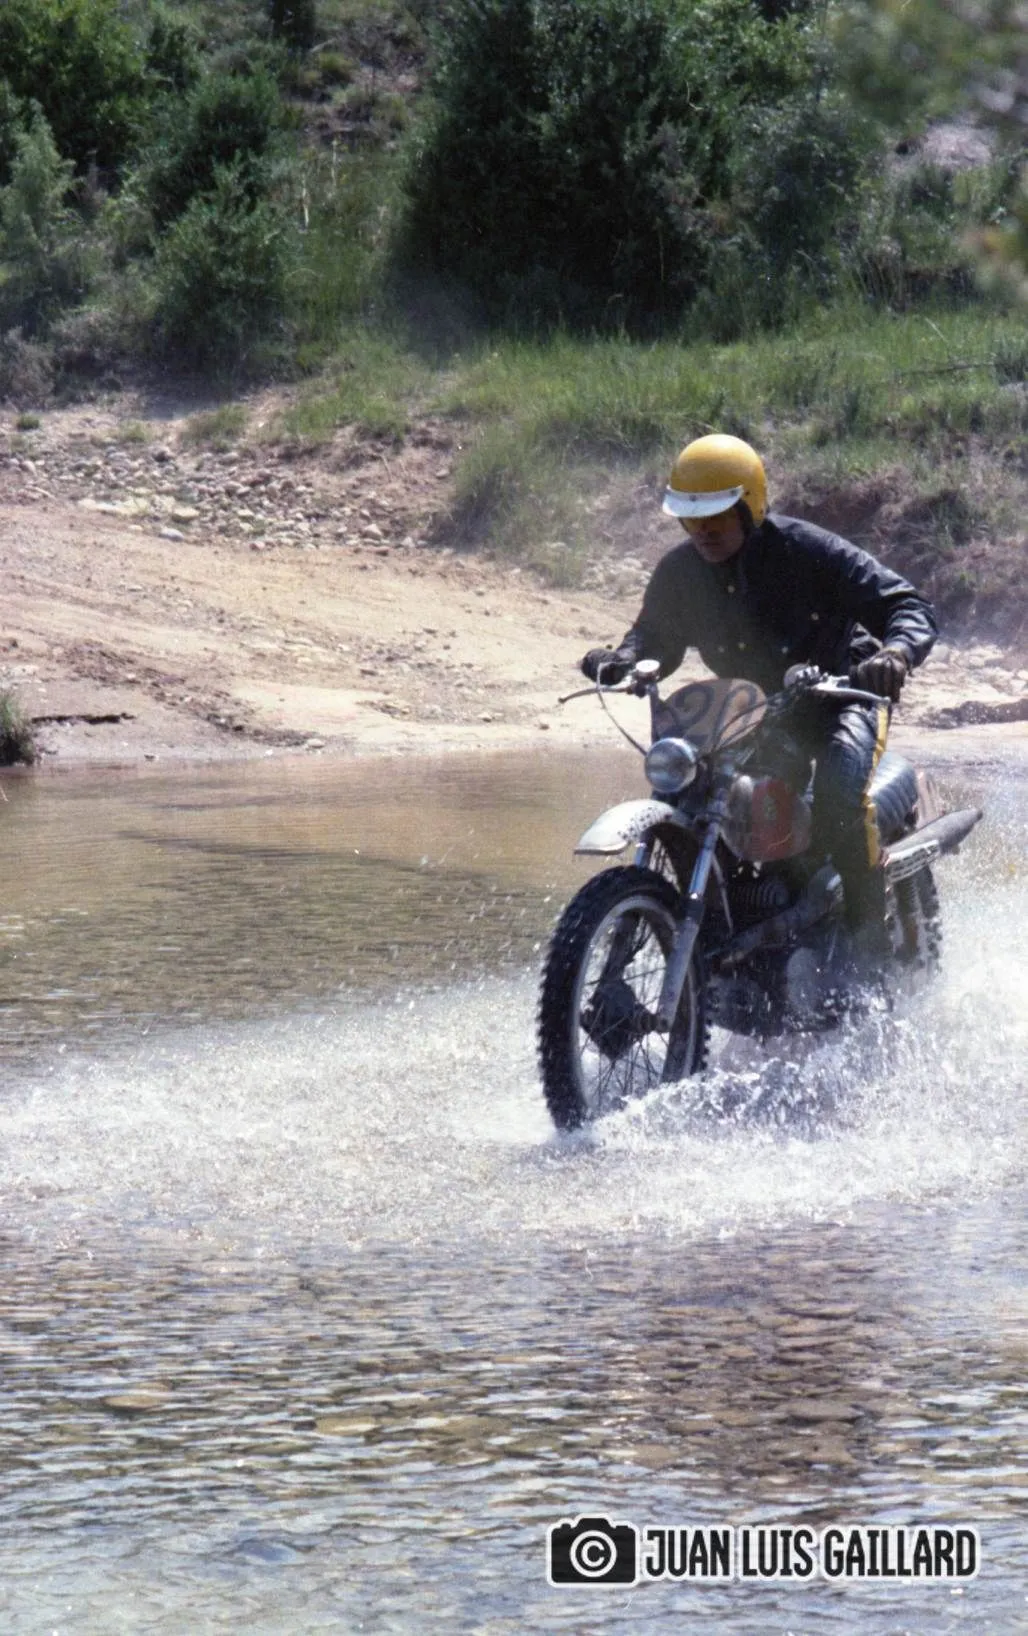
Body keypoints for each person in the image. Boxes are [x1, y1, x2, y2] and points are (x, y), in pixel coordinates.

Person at [580, 432, 938, 966]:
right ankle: (732, 928)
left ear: (749, 506)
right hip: (751, 714)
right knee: (701, 792)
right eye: (690, 519)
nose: (703, 530)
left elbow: (906, 604)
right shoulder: (681, 572)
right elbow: (655, 636)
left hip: (840, 696)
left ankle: (867, 940)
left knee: (839, 795)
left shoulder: (807, 550)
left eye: (716, 516)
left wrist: (896, 653)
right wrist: (625, 659)